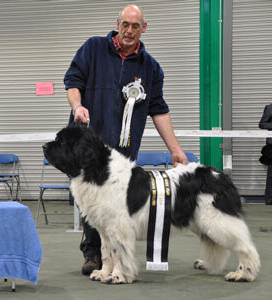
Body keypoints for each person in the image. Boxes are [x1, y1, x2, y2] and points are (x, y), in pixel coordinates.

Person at [64, 4, 188, 275]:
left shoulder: (151, 67)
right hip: (89, 148)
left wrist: (175, 150)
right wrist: (77, 107)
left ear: (144, 28)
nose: (129, 31)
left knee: (117, 209)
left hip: (123, 151)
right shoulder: (93, 48)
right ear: (117, 24)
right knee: (91, 204)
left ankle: (116, 258)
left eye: (135, 26)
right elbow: (72, 81)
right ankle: (93, 254)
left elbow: (158, 109)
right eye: (125, 25)